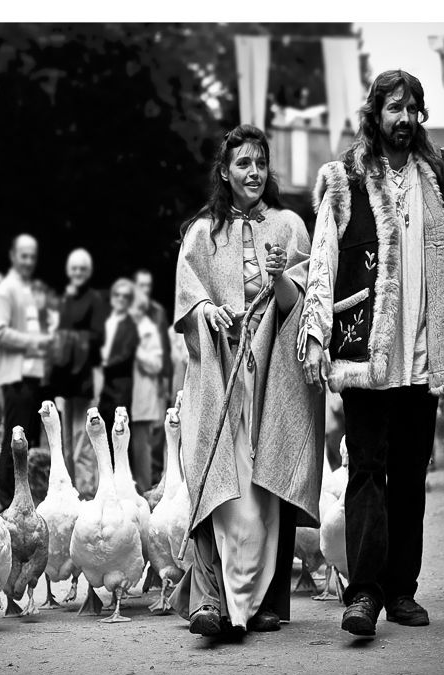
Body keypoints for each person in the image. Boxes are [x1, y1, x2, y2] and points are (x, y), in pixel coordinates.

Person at [298, 70, 444, 637]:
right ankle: (364, 594)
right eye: (394, 108)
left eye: (412, 109)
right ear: (374, 113)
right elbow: (323, 259)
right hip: (364, 354)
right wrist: (315, 328)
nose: (404, 119)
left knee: (408, 473)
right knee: (365, 470)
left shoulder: (439, 180)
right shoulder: (344, 180)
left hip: (423, 355)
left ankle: (402, 589)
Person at [169, 124, 323, 638]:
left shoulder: (290, 226)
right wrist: (207, 310)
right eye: (242, 164)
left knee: (267, 483)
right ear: (225, 172)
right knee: (217, 481)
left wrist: (280, 275)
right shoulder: (201, 232)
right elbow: (188, 301)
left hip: (271, 381)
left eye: (260, 162)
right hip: (220, 377)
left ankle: (265, 603)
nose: (253, 172)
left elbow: (299, 309)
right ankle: (210, 601)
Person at [0, 234, 53, 510]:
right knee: (12, 437)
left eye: (32, 256)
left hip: (30, 375)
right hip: (15, 376)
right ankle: (5, 499)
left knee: (24, 437)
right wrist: (35, 342)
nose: (28, 261)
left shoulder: (27, 289)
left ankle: (19, 495)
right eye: (23, 255)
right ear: (13, 256)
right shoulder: (6, 289)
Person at [49, 248, 106, 483]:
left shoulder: (95, 299)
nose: (78, 272)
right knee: (66, 443)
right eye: (74, 268)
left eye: (82, 269)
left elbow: (98, 335)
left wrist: (68, 337)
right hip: (65, 377)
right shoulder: (64, 300)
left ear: (89, 271)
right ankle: (68, 492)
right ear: (68, 271)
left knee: (82, 440)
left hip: (85, 376)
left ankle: (86, 493)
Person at [133, 268, 172, 484]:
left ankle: (150, 480)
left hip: (150, 379)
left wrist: (164, 382)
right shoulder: (126, 311)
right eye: (141, 285)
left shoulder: (156, 312)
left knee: (153, 433)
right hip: (129, 384)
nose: (144, 290)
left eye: (148, 285)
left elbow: (163, 351)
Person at [97, 278, 139, 449]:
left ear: (130, 301)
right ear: (112, 297)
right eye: (117, 295)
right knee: (101, 432)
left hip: (120, 386)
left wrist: (102, 365)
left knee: (119, 432)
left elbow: (125, 355)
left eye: (125, 296)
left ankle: (121, 472)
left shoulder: (131, 326)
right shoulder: (104, 322)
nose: (121, 299)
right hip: (101, 385)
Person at [129, 290, 164, 493]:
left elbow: (156, 365)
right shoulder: (122, 327)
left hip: (142, 400)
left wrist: (138, 352)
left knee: (142, 450)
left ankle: (143, 491)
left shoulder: (149, 330)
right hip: (125, 398)